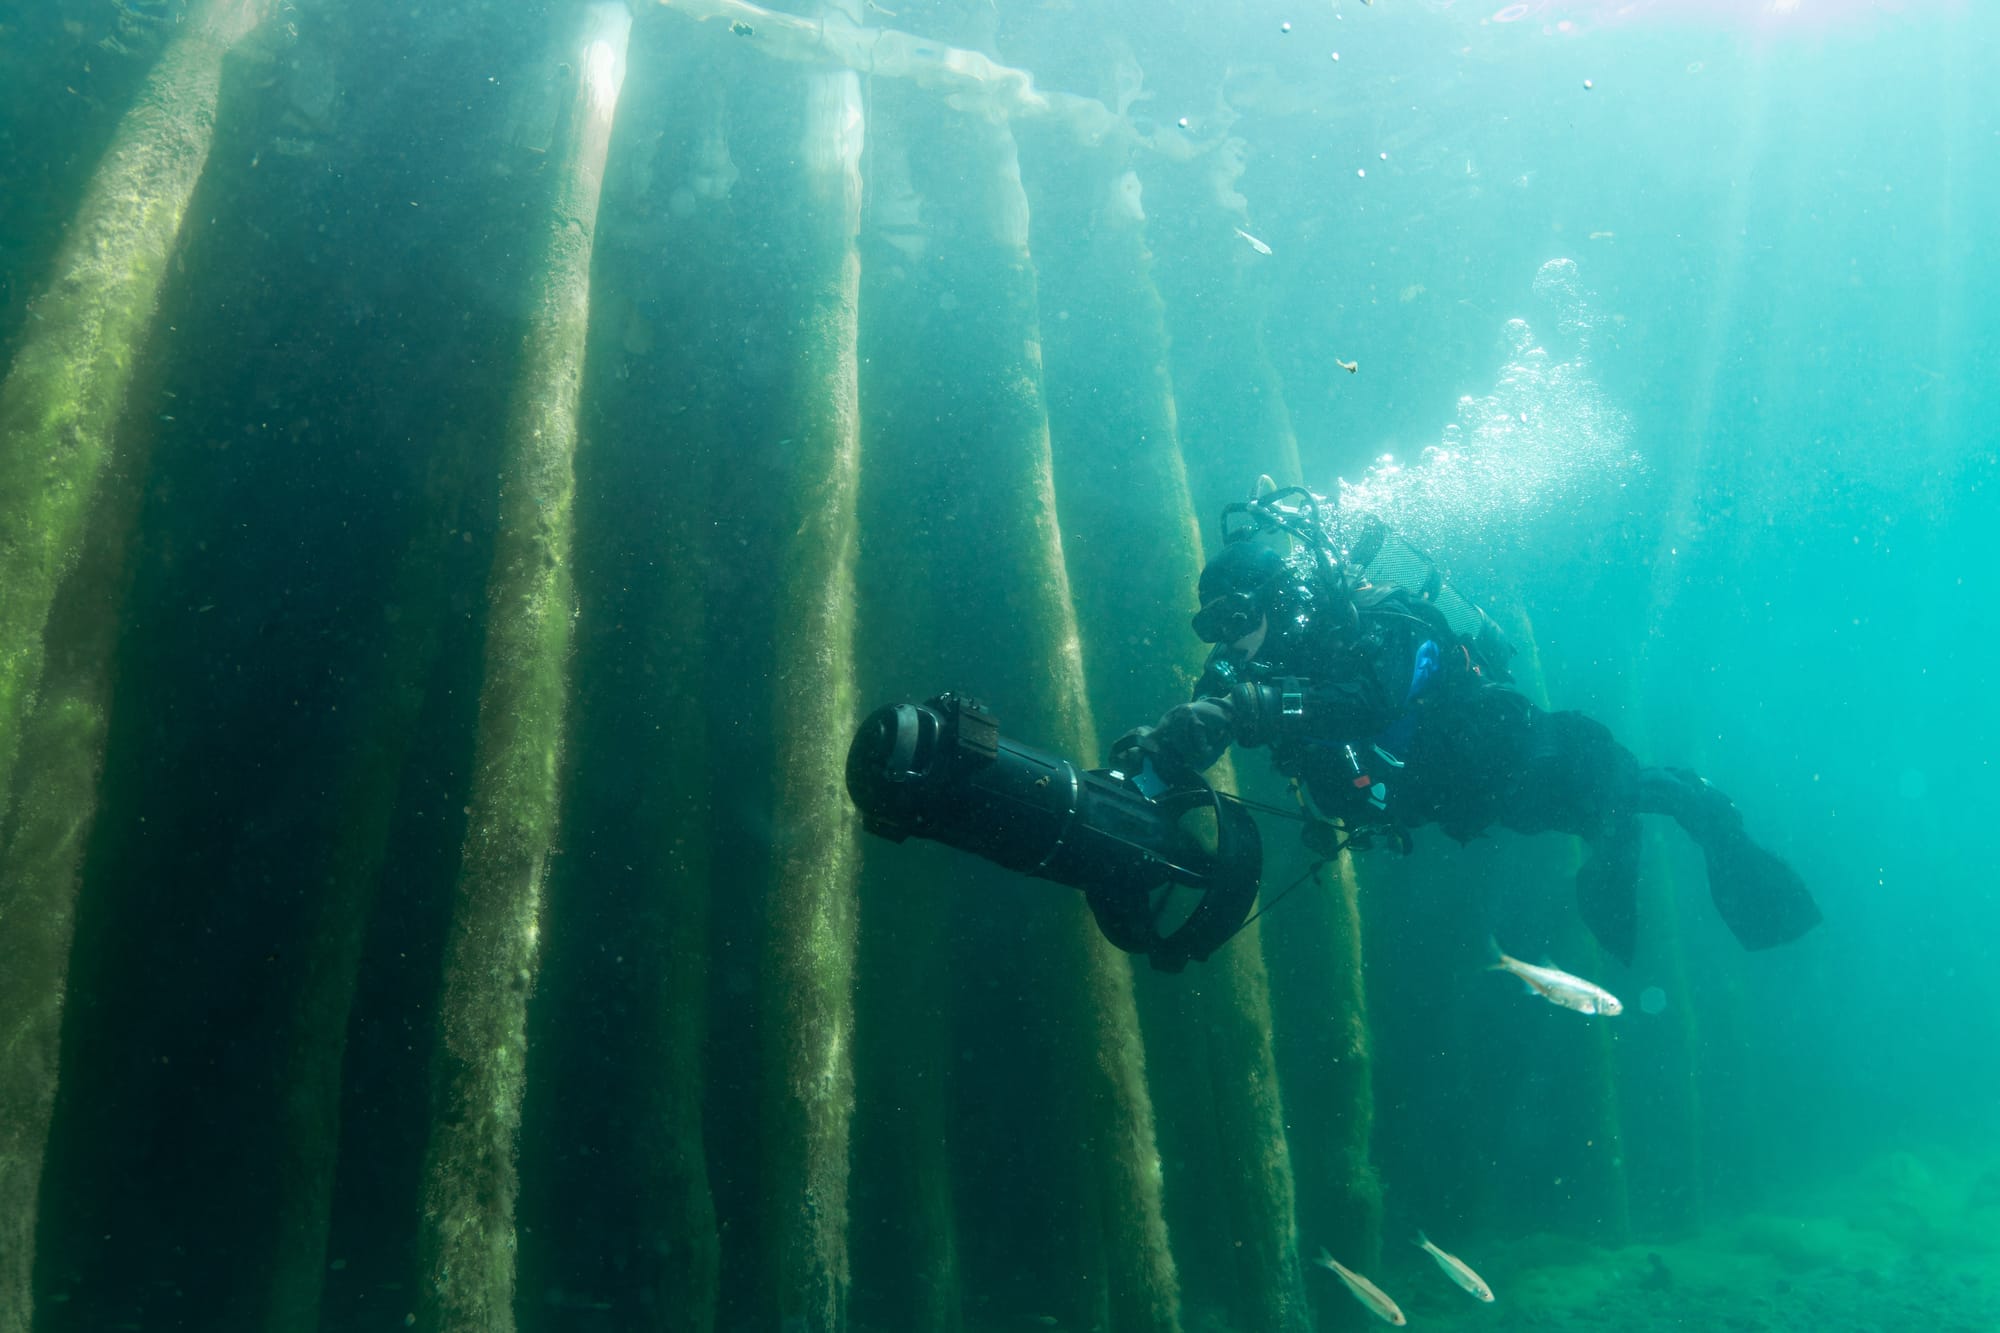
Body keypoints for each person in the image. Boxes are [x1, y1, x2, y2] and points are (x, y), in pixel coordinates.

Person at [1109, 489, 1821, 962]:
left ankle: (1721, 835)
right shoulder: (1247, 669)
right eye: (1213, 628)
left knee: (1632, 793)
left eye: (1236, 620)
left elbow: (1374, 702)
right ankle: (1614, 836)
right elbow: (1200, 724)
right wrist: (1144, 764)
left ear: (1283, 602)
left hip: (1530, 755)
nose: (1227, 642)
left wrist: (1254, 708)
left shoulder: (1390, 622)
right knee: (1598, 824)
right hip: (1466, 805)